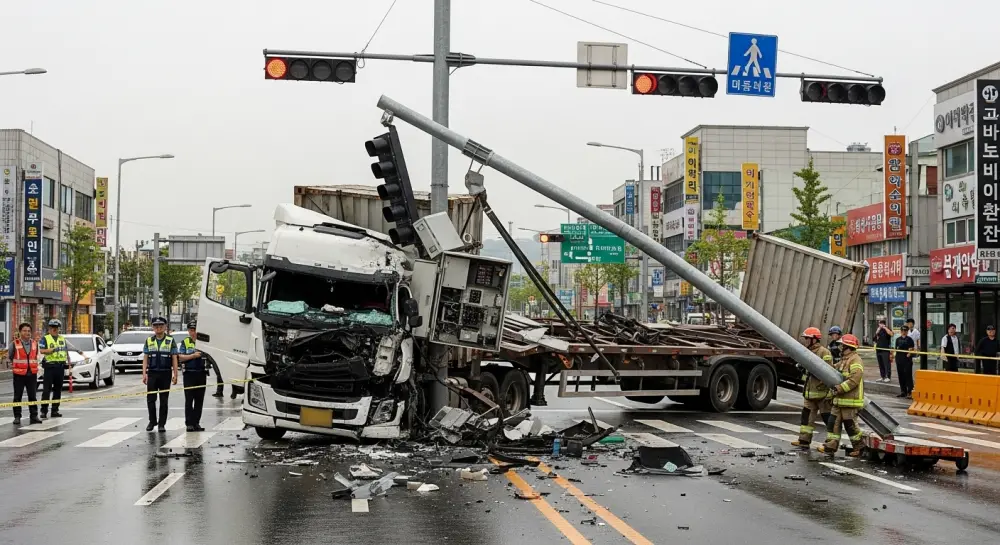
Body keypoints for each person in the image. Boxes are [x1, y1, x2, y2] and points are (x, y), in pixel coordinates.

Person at [819, 333, 865, 457]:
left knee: (850, 426)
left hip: (850, 400)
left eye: (842, 345)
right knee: (832, 422)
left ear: (848, 347)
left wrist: (838, 389)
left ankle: (859, 447)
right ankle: (830, 446)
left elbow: (854, 380)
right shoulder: (844, 360)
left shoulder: (855, 360)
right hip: (839, 400)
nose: (840, 347)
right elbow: (833, 370)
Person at [791, 327, 835, 449]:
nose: (805, 341)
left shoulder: (824, 352)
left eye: (807, 338)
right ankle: (804, 440)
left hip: (822, 393)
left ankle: (831, 443)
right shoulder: (806, 352)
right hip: (809, 392)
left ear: (814, 340)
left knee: (828, 418)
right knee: (806, 418)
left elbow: (828, 371)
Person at [39, 319, 82, 419]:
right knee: (46, 390)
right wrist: (52, 350)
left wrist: (76, 352)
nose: (55, 329)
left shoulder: (62, 339)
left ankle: (55, 410)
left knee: (57, 390)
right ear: (49, 328)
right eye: (53, 328)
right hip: (50, 367)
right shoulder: (45, 339)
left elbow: (68, 348)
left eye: (56, 328)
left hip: (60, 367)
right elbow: (42, 350)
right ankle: (44, 411)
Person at [142, 317, 178, 432]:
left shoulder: (170, 340)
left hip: (165, 373)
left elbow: (174, 358)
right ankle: (152, 421)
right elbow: (145, 358)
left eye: (161, 326)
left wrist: (175, 374)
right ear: (153, 327)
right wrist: (144, 374)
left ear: (165, 327)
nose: (158, 328)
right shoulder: (149, 340)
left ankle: (162, 424)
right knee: (151, 399)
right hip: (152, 373)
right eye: (156, 326)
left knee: (164, 400)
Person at [7, 323, 42, 426]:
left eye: (29, 331)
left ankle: (34, 415)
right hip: (19, 375)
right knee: (18, 396)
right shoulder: (14, 344)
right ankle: (17, 416)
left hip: (32, 374)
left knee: (33, 396)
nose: (27, 333)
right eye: (24, 331)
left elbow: (37, 356)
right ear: (20, 332)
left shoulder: (35, 343)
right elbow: (9, 357)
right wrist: (11, 365)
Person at [178, 321, 208, 431]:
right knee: (189, 399)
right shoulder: (185, 342)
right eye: (191, 330)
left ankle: (196, 423)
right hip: (189, 373)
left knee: (199, 400)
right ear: (189, 331)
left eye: (195, 330)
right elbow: (180, 357)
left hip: (201, 373)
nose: (193, 332)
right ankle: (189, 423)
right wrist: (193, 356)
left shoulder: (204, 342)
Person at [893, 324, 916, 398]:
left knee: (908, 375)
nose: (903, 332)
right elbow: (895, 348)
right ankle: (903, 391)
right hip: (899, 358)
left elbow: (912, 349)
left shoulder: (909, 339)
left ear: (907, 331)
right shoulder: (898, 339)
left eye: (905, 331)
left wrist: (909, 353)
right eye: (902, 330)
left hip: (907, 359)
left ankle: (910, 391)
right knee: (901, 375)